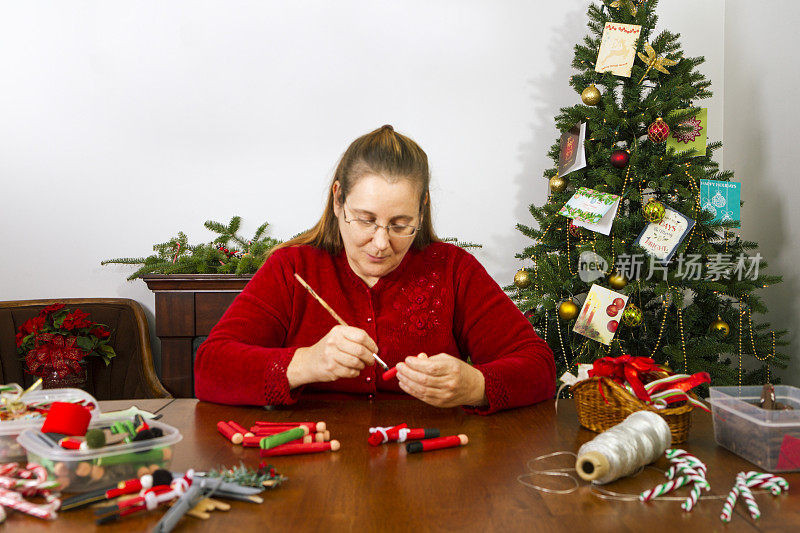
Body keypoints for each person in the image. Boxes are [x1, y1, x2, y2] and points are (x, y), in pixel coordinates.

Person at [194, 125, 555, 414]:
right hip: (311, 474)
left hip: (428, 472)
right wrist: (306, 362)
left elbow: (539, 368)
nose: (381, 243)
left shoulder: (452, 269)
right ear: (338, 200)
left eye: (400, 224)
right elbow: (209, 368)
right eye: (365, 220)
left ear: (423, 207)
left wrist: (475, 386)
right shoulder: (293, 269)